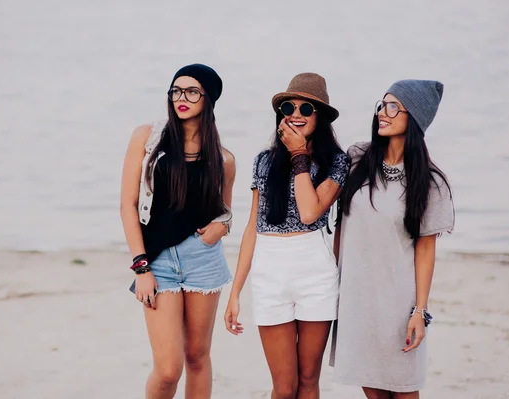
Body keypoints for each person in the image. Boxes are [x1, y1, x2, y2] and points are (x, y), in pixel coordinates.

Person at [224, 73, 349, 398]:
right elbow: (253, 226)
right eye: (287, 107)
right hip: (270, 272)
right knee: (283, 387)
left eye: (306, 108)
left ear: (319, 117)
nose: (295, 113)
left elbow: (310, 212)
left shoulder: (337, 162)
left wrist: (299, 157)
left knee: (308, 381)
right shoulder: (264, 161)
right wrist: (235, 291)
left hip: (315, 273)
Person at [330, 80, 455, 399]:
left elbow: (426, 250)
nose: (382, 113)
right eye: (381, 105)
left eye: (392, 107)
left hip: (398, 304)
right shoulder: (358, 159)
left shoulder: (430, 183)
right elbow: (340, 228)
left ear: (414, 118)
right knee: (372, 391)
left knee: (403, 391)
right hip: (357, 300)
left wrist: (420, 311)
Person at [120, 63, 235, 399]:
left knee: (197, 357)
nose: (181, 98)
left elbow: (225, 212)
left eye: (192, 92)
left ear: (208, 98)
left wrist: (221, 228)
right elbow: (128, 205)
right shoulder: (147, 137)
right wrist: (141, 267)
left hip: (203, 260)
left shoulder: (223, 158)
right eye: (176, 91)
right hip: (157, 261)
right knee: (169, 369)